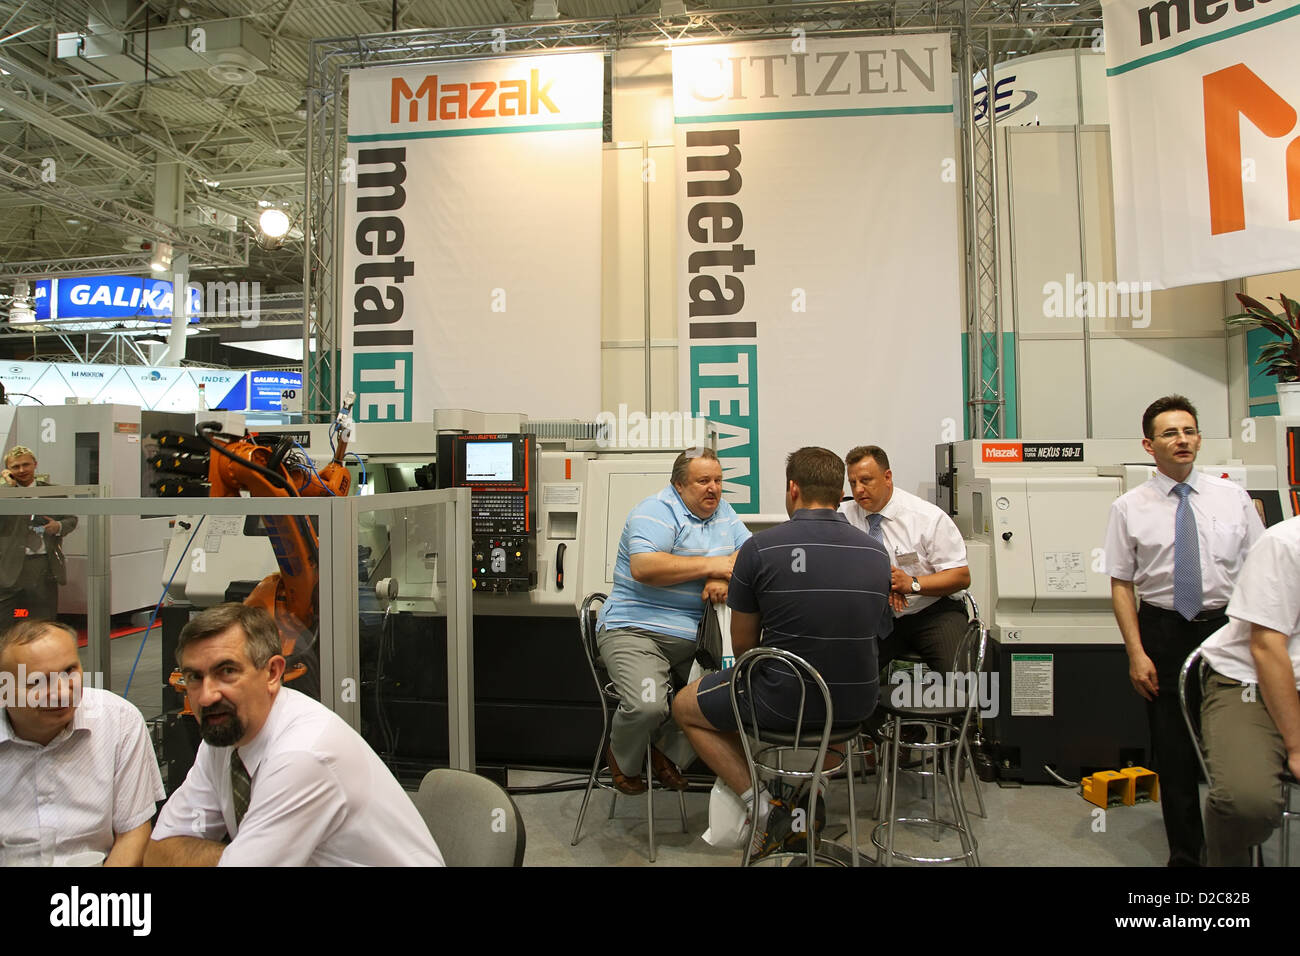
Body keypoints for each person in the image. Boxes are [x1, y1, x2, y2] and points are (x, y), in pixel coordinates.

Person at [673, 447, 890, 855]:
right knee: (834, 696)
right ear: (840, 491)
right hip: (857, 703)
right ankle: (810, 798)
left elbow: (742, 648)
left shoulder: (760, 549)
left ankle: (764, 806)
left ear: (793, 489)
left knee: (684, 706)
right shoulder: (876, 552)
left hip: (782, 701)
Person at [147, 603, 444, 866]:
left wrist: (221, 856)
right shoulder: (223, 735)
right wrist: (232, 857)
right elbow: (157, 851)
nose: (207, 696)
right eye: (194, 677)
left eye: (227, 671)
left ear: (273, 673)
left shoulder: (303, 755)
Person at [1103, 394, 1263, 867]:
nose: (1183, 440)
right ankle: (1185, 855)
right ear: (1149, 445)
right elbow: (1120, 583)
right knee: (1173, 748)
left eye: (1189, 430)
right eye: (1170, 433)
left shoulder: (1232, 498)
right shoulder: (1129, 507)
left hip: (1227, 630)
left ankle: (1234, 848)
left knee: (1234, 741)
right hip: (1163, 630)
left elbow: (1261, 570)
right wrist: (1136, 653)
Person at [596, 447, 750, 794]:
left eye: (718, 480)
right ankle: (623, 757)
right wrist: (713, 566)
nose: (713, 488)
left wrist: (723, 578)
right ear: (679, 485)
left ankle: (663, 749)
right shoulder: (655, 511)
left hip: (694, 639)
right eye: (703, 481)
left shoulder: (724, 512)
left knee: (729, 699)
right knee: (648, 705)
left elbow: (749, 553)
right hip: (635, 629)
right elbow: (645, 567)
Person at [0, 619, 163, 866]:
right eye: (36, 681)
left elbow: (132, 835)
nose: (62, 692)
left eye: (69, 671)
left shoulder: (119, 721)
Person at [1198, 515, 1300, 866]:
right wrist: (1297, 747)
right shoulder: (1286, 543)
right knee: (1247, 802)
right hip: (1251, 682)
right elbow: (1267, 647)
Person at [839, 445, 971, 675]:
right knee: (848, 675)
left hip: (931, 611)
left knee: (962, 679)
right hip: (875, 617)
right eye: (852, 483)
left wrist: (912, 583)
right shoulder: (843, 516)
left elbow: (960, 576)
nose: (858, 490)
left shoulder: (926, 517)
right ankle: (872, 711)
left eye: (866, 480)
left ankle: (961, 711)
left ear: (887, 477)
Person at [0, 445, 78, 625]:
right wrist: (10, 489)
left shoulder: (53, 492)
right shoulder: (3, 493)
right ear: (7, 471)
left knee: (42, 623)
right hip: (8, 567)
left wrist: (57, 526)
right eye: (15, 467)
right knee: (8, 625)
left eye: (26, 465)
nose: (21, 470)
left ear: (35, 465)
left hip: (43, 565)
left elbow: (71, 519)